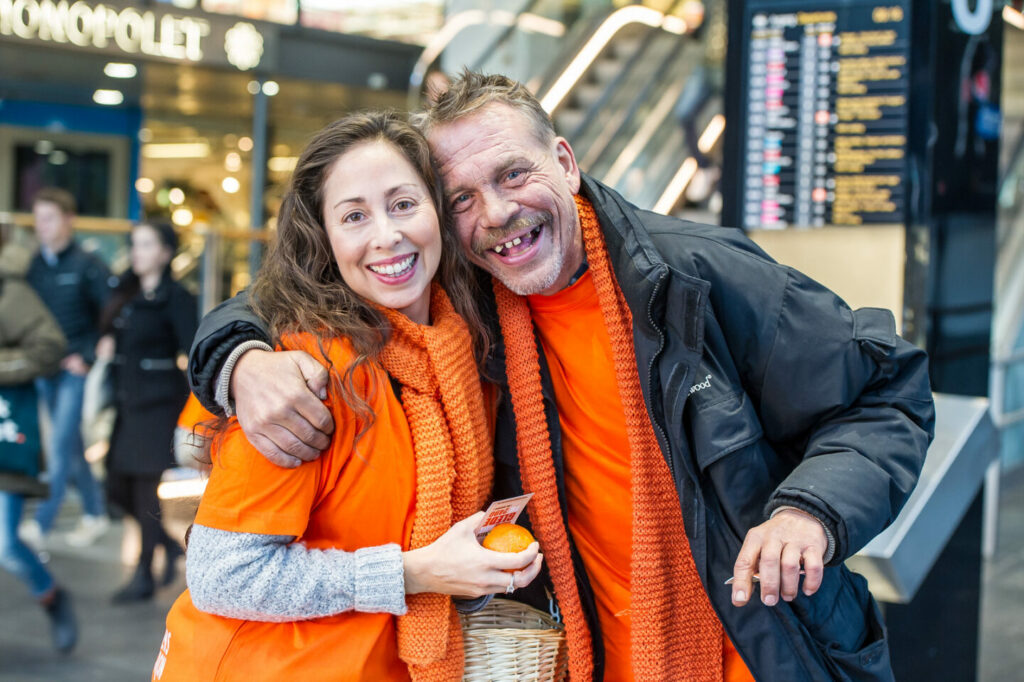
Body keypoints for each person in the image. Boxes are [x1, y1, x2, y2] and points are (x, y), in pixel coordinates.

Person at [187, 73, 934, 681]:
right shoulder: (474, 310)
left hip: (764, 651)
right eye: (462, 199)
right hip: (590, 657)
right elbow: (303, 288)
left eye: (514, 173)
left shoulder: (695, 277)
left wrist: (809, 512)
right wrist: (239, 357)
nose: (498, 212)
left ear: (566, 164)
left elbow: (885, 391)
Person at [155, 112, 543, 681]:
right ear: (325, 239)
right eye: (355, 216)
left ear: (439, 212)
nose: (386, 235)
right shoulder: (305, 371)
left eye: (403, 204)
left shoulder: (464, 359)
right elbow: (222, 575)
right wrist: (414, 573)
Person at [95, 222, 196, 602]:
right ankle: (166, 544)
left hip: (158, 403)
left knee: (143, 487)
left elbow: (193, 348)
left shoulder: (177, 298)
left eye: (146, 245)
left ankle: (144, 573)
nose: (136, 252)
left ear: (166, 253)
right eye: (134, 244)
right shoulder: (126, 292)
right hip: (126, 401)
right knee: (115, 485)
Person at [0, 237, 78, 653]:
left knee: (6, 546)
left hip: (5, 434)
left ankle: (51, 596)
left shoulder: (10, 292)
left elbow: (49, 348)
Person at [22, 188, 111, 548]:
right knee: (72, 447)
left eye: (49, 218)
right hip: (44, 371)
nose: (41, 226)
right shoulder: (34, 266)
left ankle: (42, 521)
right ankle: (95, 513)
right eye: (38, 219)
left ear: (68, 220)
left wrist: (87, 356)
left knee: (59, 445)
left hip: (74, 371)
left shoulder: (88, 265)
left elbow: (110, 313)